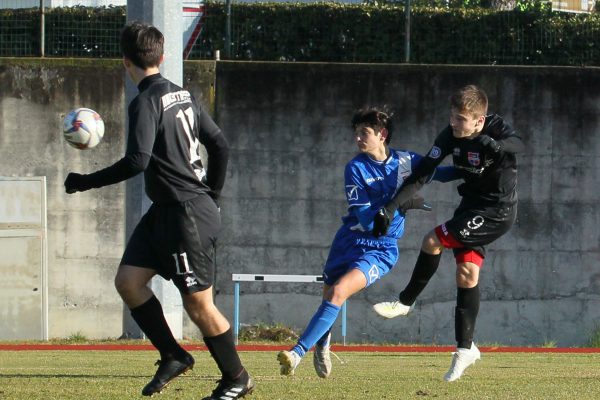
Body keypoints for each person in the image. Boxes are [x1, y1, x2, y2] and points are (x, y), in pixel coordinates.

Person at [64, 21, 254, 400]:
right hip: (166, 213)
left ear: (124, 62)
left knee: (198, 304)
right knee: (128, 282)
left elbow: (137, 161)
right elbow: (220, 147)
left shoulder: (145, 101)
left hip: (186, 216)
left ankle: (237, 377)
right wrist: (212, 193)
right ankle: (173, 354)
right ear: (163, 56)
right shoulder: (183, 95)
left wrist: (84, 182)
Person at [277, 108, 460, 378]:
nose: (358, 138)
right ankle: (323, 343)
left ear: (382, 135)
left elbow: (440, 173)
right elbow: (367, 218)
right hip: (349, 241)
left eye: (364, 133)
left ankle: (296, 353)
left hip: (381, 249)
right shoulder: (355, 168)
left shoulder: (406, 161)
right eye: (356, 133)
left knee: (338, 292)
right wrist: (405, 204)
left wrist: (476, 169)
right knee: (329, 296)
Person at [372, 85, 524, 382]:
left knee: (433, 239)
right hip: (471, 207)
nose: (454, 124)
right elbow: (423, 173)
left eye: (461, 120)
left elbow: (520, 143)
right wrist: (389, 209)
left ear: (479, 121)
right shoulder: (448, 137)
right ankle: (465, 349)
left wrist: (497, 145)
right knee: (467, 274)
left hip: (497, 211)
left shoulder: (495, 128)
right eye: (452, 117)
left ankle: (405, 302)